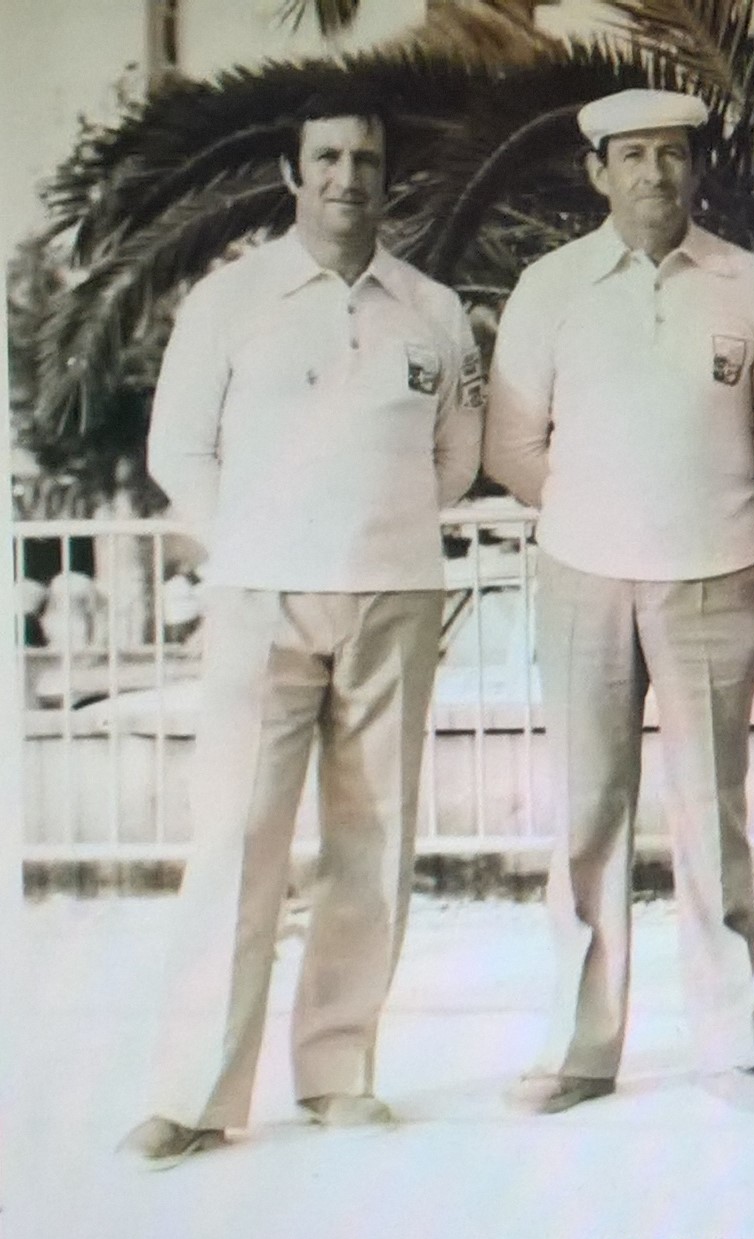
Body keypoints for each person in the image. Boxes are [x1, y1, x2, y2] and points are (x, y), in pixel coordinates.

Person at [122, 100, 483, 1164]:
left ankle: (336, 1072)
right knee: (237, 841)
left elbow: (454, 459)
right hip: (262, 600)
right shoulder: (231, 300)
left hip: (391, 595)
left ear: (388, 179)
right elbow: (178, 451)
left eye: (368, 159)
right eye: (327, 157)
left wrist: (371, 533)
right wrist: (262, 537)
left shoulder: (433, 310)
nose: (347, 177)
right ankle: (192, 1094)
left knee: (372, 844)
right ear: (293, 173)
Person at [483, 89, 754, 1114]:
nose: (655, 172)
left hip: (715, 575)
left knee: (712, 813)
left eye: (673, 154)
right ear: (598, 172)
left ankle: (731, 1044)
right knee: (586, 814)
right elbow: (512, 446)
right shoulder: (550, 286)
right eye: (633, 155)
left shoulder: (751, 285)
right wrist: (597, 520)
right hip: (585, 577)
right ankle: (580, 1048)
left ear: (697, 170)